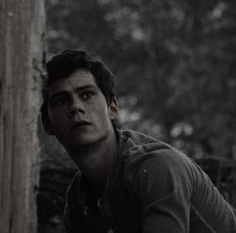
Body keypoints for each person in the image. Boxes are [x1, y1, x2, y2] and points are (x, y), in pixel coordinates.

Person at [41, 49, 236, 233]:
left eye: (86, 95)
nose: (76, 107)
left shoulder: (157, 166)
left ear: (113, 107)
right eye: (61, 100)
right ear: (47, 123)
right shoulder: (78, 200)